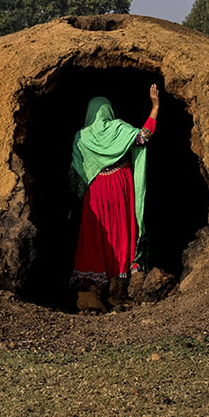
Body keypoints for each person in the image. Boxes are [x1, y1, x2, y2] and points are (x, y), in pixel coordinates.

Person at [70, 84, 159, 310]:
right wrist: (155, 107)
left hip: (96, 192)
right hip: (121, 188)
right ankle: (120, 281)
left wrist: (73, 201)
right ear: (109, 111)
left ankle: (93, 286)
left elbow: (75, 174)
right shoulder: (119, 128)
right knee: (121, 231)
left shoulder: (81, 137)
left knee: (97, 234)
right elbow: (143, 137)